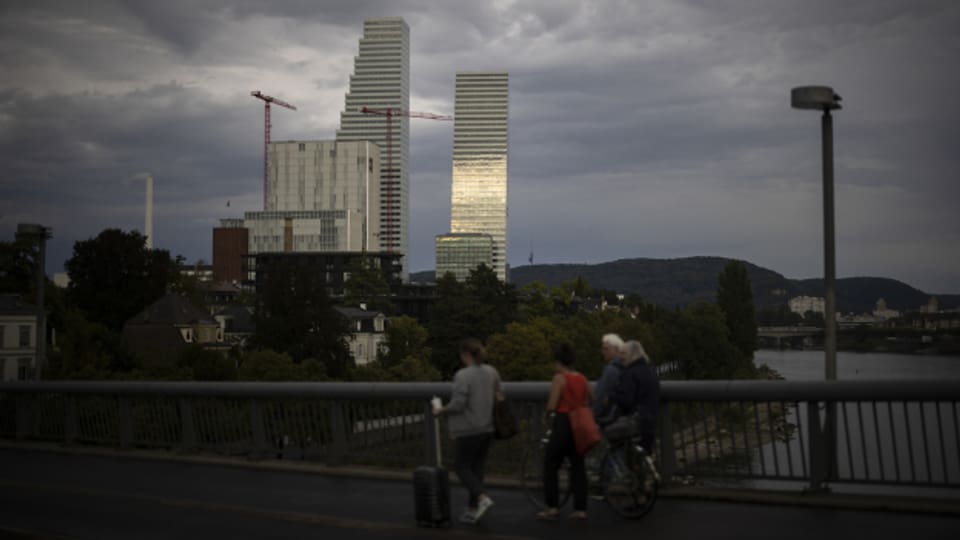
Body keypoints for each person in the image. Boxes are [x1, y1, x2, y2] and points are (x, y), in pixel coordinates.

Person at [433, 338, 501, 524]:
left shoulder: (463, 375)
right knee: (477, 468)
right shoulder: (492, 371)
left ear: (465, 355)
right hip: (487, 427)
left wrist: (441, 410)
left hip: (468, 428)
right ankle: (473, 508)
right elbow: (498, 396)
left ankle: (481, 497)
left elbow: (458, 404)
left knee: (462, 467)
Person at [539, 343, 593, 521]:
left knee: (551, 463)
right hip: (579, 424)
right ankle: (580, 509)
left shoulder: (559, 378)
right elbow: (590, 398)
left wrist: (546, 417)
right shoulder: (583, 378)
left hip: (563, 423)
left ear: (558, 361)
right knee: (578, 466)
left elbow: (552, 405)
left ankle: (552, 506)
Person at [611, 340, 660, 453]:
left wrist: (613, 396)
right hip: (649, 423)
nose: (620, 357)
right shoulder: (650, 371)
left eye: (623, 353)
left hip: (634, 424)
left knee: (602, 434)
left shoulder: (630, 374)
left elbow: (626, 401)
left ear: (632, 355)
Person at [593, 333, 625, 424]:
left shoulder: (611, 370)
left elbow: (601, 394)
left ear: (617, 350)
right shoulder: (626, 366)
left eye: (606, 349)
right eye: (602, 349)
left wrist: (594, 414)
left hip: (609, 419)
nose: (603, 352)